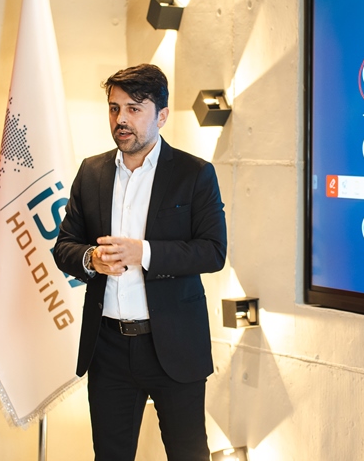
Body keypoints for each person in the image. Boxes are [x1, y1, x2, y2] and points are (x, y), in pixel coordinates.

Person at [53, 64, 227, 461]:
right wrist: (91, 259)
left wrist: (143, 253)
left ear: (161, 116)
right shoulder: (91, 172)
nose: (121, 119)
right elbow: (64, 246)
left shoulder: (195, 174)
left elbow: (213, 251)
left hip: (174, 346)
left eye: (134, 109)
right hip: (108, 348)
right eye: (114, 108)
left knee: (189, 454)